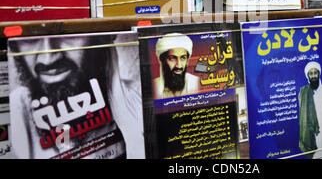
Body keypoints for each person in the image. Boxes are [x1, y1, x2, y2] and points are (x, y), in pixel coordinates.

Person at [8, 34, 144, 159]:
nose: (48, 59)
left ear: (104, 39)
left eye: (66, 35)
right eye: (30, 39)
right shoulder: (13, 114)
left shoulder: (136, 100)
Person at [298, 61, 322, 159]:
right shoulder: (303, 93)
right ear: (308, 76)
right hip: (311, 135)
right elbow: (303, 117)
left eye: (315, 73)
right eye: (311, 73)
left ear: (319, 74)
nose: (313, 76)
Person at [153, 33, 199, 99]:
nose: (179, 65)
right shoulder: (154, 86)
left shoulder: (196, 82)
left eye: (183, 58)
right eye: (172, 58)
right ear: (162, 60)